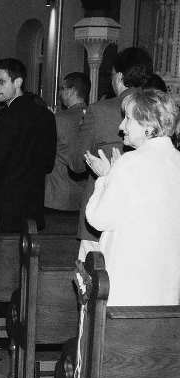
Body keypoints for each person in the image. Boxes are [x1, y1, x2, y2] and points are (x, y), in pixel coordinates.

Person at [83, 89, 180, 378]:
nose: (121, 126)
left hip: (127, 278)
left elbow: (99, 219)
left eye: (127, 119)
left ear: (147, 123)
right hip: (165, 282)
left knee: (115, 356)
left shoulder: (130, 164)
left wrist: (106, 178)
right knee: (152, 355)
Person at [73, 47, 152, 260]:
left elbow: (77, 164)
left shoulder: (99, 111)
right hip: (142, 215)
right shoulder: (157, 111)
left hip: (101, 210)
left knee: (90, 283)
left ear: (118, 76)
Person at [0, 58, 56, 232]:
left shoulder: (6, 117)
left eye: (1, 82)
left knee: (5, 256)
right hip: (34, 202)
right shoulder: (46, 115)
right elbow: (48, 163)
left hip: (9, 204)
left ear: (18, 82)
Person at [44, 72, 89, 211]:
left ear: (71, 91)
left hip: (57, 193)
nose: (59, 93)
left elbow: (44, 155)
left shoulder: (58, 119)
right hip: (85, 196)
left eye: (62, 89)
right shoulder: (95, 116)